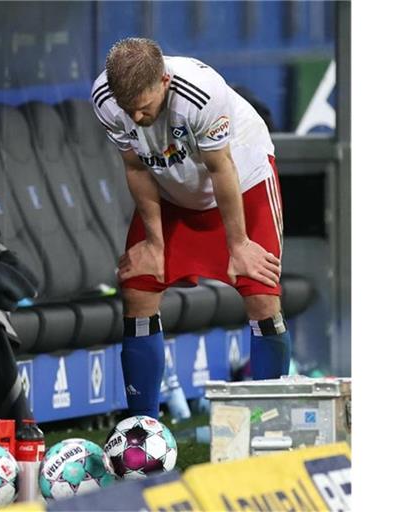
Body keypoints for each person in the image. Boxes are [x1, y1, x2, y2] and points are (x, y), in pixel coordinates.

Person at [91, 38, 291, 419]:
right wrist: (153, 242)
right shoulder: (106, 98)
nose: (134, 118)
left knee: (262, 293)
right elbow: (135, 168)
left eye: (143, 108)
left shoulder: (202, 93)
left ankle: (270, 420)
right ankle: (142, 427)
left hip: (241, 176)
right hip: (170, 180)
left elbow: (221, 170)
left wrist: (239, 244)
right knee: (138, 286)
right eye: (127, 109)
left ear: (164, 81)